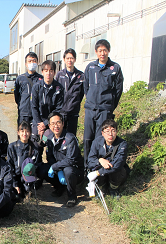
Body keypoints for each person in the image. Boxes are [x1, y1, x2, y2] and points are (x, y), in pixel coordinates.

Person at [83, 39, 124, 167]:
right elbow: (86, 87)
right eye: (100, 50)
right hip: (90, 109)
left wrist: (110, 105)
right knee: (87, 138)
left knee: (100, 139)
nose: (102, 53)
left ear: (108, 51)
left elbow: (118, 89)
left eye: (105, 50)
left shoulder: (115, 68)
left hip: (104, 109)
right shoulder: (90, 67)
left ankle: (98, 166)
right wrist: (90, 99)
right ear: (96, 52)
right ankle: (87, 166)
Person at [37, 112, 84, 207]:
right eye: (53, 123)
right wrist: (56, 169)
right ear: (49, 126)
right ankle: (60, 187)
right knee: (42, 168)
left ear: (63, 123)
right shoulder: (49, 137)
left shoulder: (70, 138)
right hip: (59, 167)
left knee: (68, 171)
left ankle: (72, 196)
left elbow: (71, 160)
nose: (56, 126)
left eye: (58, 122)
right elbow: (49, 156)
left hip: (74, 170)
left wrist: (55, 167)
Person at [87, 119, 129, 198]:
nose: (110, 134)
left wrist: (98, 173)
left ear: (116, 132)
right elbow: (90, 160)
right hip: (102, 171)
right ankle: (102, 188)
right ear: (102, 133)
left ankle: (113, 189)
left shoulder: (122, 144)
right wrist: (100, 160)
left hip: (114, 172)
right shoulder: (96, 142)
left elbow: (118, 163)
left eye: (113, 131)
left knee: (118, 169)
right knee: (95, 166)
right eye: (107, 131)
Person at [7, 121, 43, 202]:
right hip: (15, 177)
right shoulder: (12, 147)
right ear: (18, 133)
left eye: (27, 131)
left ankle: (29, 189)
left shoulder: (34, 148)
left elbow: (35, 166)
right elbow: (10, 166)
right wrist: (15, 184)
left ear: (30, 133)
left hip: (27, 177)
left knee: (25, 196)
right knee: (15, 197)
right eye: (22, 131)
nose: (25, 133)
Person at [31, 60, 64, 140]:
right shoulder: (36, 87)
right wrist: (40, 125)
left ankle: (48, 148)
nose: (48, 73)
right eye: (46, 71)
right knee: (36, 139)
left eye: (51, 71)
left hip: (52, 122)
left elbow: (58, 109)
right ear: (42, 72)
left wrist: (46, 123)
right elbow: (34, 107)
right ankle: (39, 146)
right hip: (38, 121)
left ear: (54, 73)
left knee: (47, 138)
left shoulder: (59, 88)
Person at [55, 49, 85, 136]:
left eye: (71, 58)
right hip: (61, 111)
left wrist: (75, 102)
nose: (69, 60)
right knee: (60, 134)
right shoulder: (59, 75)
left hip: (73, 112)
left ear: (75, 59)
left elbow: (81, 93)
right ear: (64, 59)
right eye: (67, 58)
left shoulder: (80, 76)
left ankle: (72, 149)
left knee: (71, 135)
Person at [14, 52, 43, 125]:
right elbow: (17, 96)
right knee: (23, 134)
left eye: (34, 61)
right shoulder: (20, 79)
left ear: (37, 63)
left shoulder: (41, 79)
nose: (32, 63)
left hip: (37, 113)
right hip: (24, 112)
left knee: (35, 135)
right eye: (29, 61)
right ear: (26, 64)